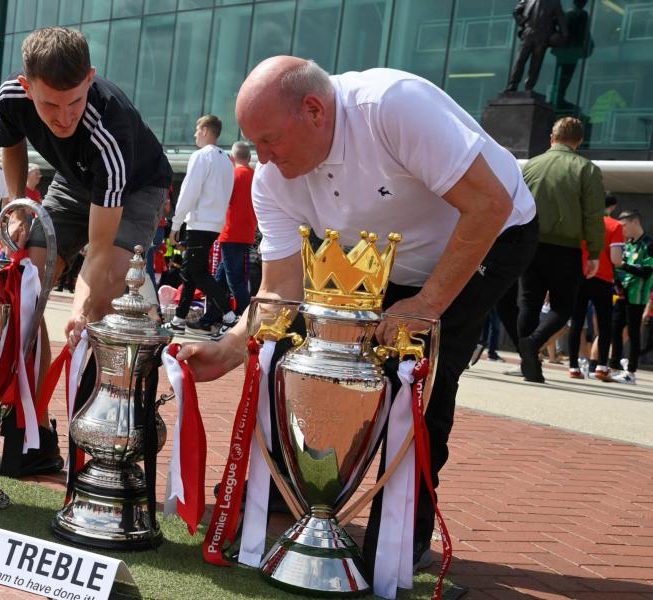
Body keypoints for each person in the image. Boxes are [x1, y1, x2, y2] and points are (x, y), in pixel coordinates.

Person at [177, 57, 538, 569]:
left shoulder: (392, 107)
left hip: (491, 232)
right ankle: (281, 485)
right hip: (385, 255)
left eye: (270, 140)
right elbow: (281, 290)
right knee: (295, 348)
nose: (262, 157)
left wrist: (428, 303)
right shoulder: (273, 179)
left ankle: (402, 529)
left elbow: (488, 203)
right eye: (253, 143)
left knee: (421, 372)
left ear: (315, 110)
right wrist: (230, 349)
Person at [0, 27, 172, 476]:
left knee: (101, 300)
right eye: (50, 104)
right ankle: (32, 438)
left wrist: (81, 305)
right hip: (72, 183)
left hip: (133, 188)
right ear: (27, 85)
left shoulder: (110, 127)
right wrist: (20, 205)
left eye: (74, 101)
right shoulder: (10, 97)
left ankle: (103, 449)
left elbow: (99, 246)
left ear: (90, 78)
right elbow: (11, 145)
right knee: (24, 287)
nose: (64, 117)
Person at [512, 117, 604, 382]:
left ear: (552, 136)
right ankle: (534, 344)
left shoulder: (532, 164)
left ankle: (527, 361)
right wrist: (595, 253)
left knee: (528, 303)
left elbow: (517, 202)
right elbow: (593, 214)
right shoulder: (586, 169)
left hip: (529, 243)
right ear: (580, 140)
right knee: (562, 308)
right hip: (566, 247)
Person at [167, 114, 236, 335]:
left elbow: (189, 191)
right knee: (190, 272)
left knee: (198, 273)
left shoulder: (201, 156)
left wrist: (176, 224)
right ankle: (179, 318)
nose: (195, 134)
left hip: (200, 223)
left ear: (205, 130)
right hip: (214, 223)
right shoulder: (226, 160)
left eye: (197, 130)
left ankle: (229, 315)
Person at [204, 141, 257, 340]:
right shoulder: (255, 176)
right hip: (246, 233)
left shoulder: (232, 176)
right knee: (221, 278)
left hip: (230, 233)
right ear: (249, 158)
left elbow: (220, 200)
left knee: (234, 280)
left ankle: (244, 319)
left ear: (232, 158)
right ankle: (212, 315)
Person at [568, 193, 624, 380]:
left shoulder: (582, 222)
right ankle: (601, 366)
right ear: (613, 207)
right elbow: (616, 259)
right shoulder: (615, 226)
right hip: (603, 277)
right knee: (604, 324)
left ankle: (574, 366)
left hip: (580, 275)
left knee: (576, 322)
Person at [608, 211, 653, 385]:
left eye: (624, 225)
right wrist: (617, 283)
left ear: (635, 222)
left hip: (638, 296)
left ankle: (631, 372)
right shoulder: (627, 244)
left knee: (633, 333)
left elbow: (647, 271)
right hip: (621, 295)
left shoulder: (648, 244)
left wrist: (623, 265)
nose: (622, 229)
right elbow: (617, 269)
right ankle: (614, 368)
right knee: (615, 331)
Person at [506, 0, 567, 93]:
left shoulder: (554, 2)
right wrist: (522, 21)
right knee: (520, 60)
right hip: (528, 33)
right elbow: (516, 11)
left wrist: (562, 35)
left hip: (543, 36)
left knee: (536, 64)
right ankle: (512, 85)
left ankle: (529, 87)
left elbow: (561, 20)